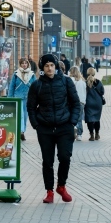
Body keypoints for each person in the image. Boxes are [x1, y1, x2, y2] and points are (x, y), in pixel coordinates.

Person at [27, 54, 81, 204]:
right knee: (47, 161)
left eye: (52, 65)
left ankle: (61, 186)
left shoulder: (66, 82)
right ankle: (49, 191)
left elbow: (76, 103)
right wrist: (36, 125)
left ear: (56, 66)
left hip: (65, 127)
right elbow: (30, 107)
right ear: (42, 68)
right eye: (46, 66)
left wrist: (72, 122)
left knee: (65, 157)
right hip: (45, 128)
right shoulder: (37, 85)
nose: (50, 68)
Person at [7, 58, 36, 141]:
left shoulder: (32, 74)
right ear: (20, 64)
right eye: (22, 63)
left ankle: (23, 131)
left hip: (28, 98)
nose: (24, 65)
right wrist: (10, 98)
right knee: (20, 115)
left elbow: (35, 87)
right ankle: (21, 131)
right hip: (17, 98)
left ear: (28, 64)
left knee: (25, 116)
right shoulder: (16, 74)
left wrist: (36, 98)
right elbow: (12, 87)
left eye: (25, 63)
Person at [85, 67, 105, 141]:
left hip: (88, 103)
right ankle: (97, 134)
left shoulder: (85, 82)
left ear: (87, 73)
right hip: (98, 103)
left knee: (89, 119)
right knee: (97, 119)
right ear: (94, 73)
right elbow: (102, 92)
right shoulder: (98, 82)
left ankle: (91, 135)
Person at [69, 66, 86, 141]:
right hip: (82, 101)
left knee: (72, 117)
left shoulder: (71, 80)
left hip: (73, 101)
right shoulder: (82, 81)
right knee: (79, 118)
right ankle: (79, 134)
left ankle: (74, 128)